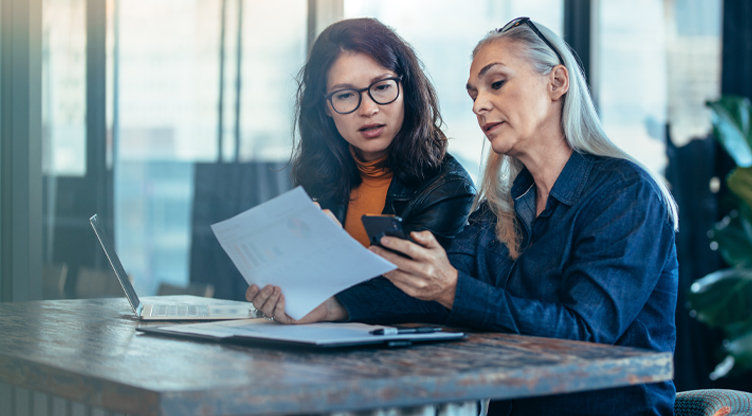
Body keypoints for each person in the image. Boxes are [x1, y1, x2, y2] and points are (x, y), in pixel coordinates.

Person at [245, 18, 475, 321]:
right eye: (345, 95)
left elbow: (422, 294)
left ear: (405, 88)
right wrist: (280, 295)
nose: (368, 109)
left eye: (381, 87)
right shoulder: (319, 174)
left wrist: (327, 301)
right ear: (326, 107)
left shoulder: (446, 187)